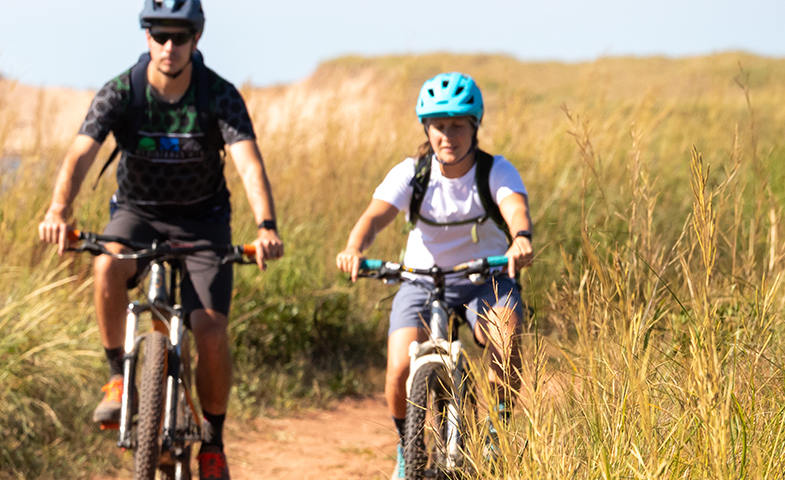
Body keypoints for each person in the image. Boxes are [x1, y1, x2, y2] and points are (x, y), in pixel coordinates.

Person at [36, 1, 282, 478]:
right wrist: (58, 212)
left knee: (209, 330)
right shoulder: (122, 91)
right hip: (137, 213)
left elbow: (249, 164)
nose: (170, 46)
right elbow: (79, 154)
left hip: (203, 220)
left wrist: (266, 226)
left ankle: (213, 442)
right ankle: (116, 379)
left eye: (181, 37)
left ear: (197, 39)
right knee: (107, 263)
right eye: (160, 35)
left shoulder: (218, 95)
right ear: (146, 37)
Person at [333, 72, 535, 480]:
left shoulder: (495, 170)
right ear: (426, 128)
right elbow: (375, 217)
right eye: (439, 126)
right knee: (398, 370)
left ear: (474, 126)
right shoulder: (413, 173)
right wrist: (355, 249)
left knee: (506, 335)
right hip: (422, 280)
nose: (448, 135)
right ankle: (407, 447)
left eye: (458, 125)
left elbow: (514, 208)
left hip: (485, 276)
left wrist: (521, 239)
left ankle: (495, 434)